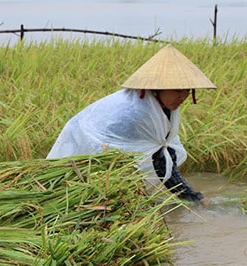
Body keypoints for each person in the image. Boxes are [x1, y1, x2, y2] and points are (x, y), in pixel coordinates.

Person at [47, 44, 216, 206]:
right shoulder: (135, 112)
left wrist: (193, 197)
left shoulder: (163, 109)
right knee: (73, 190)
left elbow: (163, 156)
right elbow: (110, 161)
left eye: (187, 90)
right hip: (83, 141)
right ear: (157, 88)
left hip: (107, 160)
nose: (183, 97)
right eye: (178, 90)